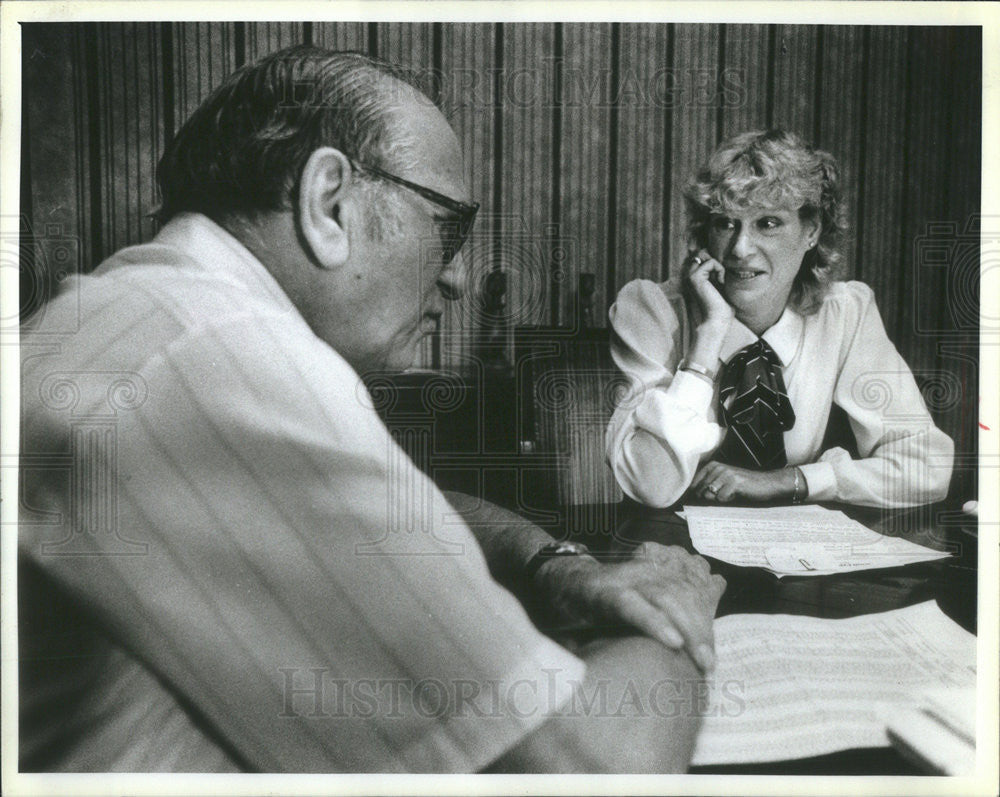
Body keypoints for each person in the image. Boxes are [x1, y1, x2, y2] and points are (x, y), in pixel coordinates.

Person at [18, 46, 725, 774]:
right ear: (329, 202)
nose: (455, 277)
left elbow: (392, 511)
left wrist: (549, 563)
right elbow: (591, 766)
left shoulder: (148, 313)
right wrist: (677, 613)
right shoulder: (231, 358)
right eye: (448, 227)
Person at [606, 129, 953, 509]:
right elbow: (650, 486)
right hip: (666, 550)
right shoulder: (649, 310)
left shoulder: (845, 314)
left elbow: (926, 467)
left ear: (811, 231)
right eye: (725, 222)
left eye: (767, 223)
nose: (740, 248)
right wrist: (708, 340)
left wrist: (792, 481)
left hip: (793, 553)